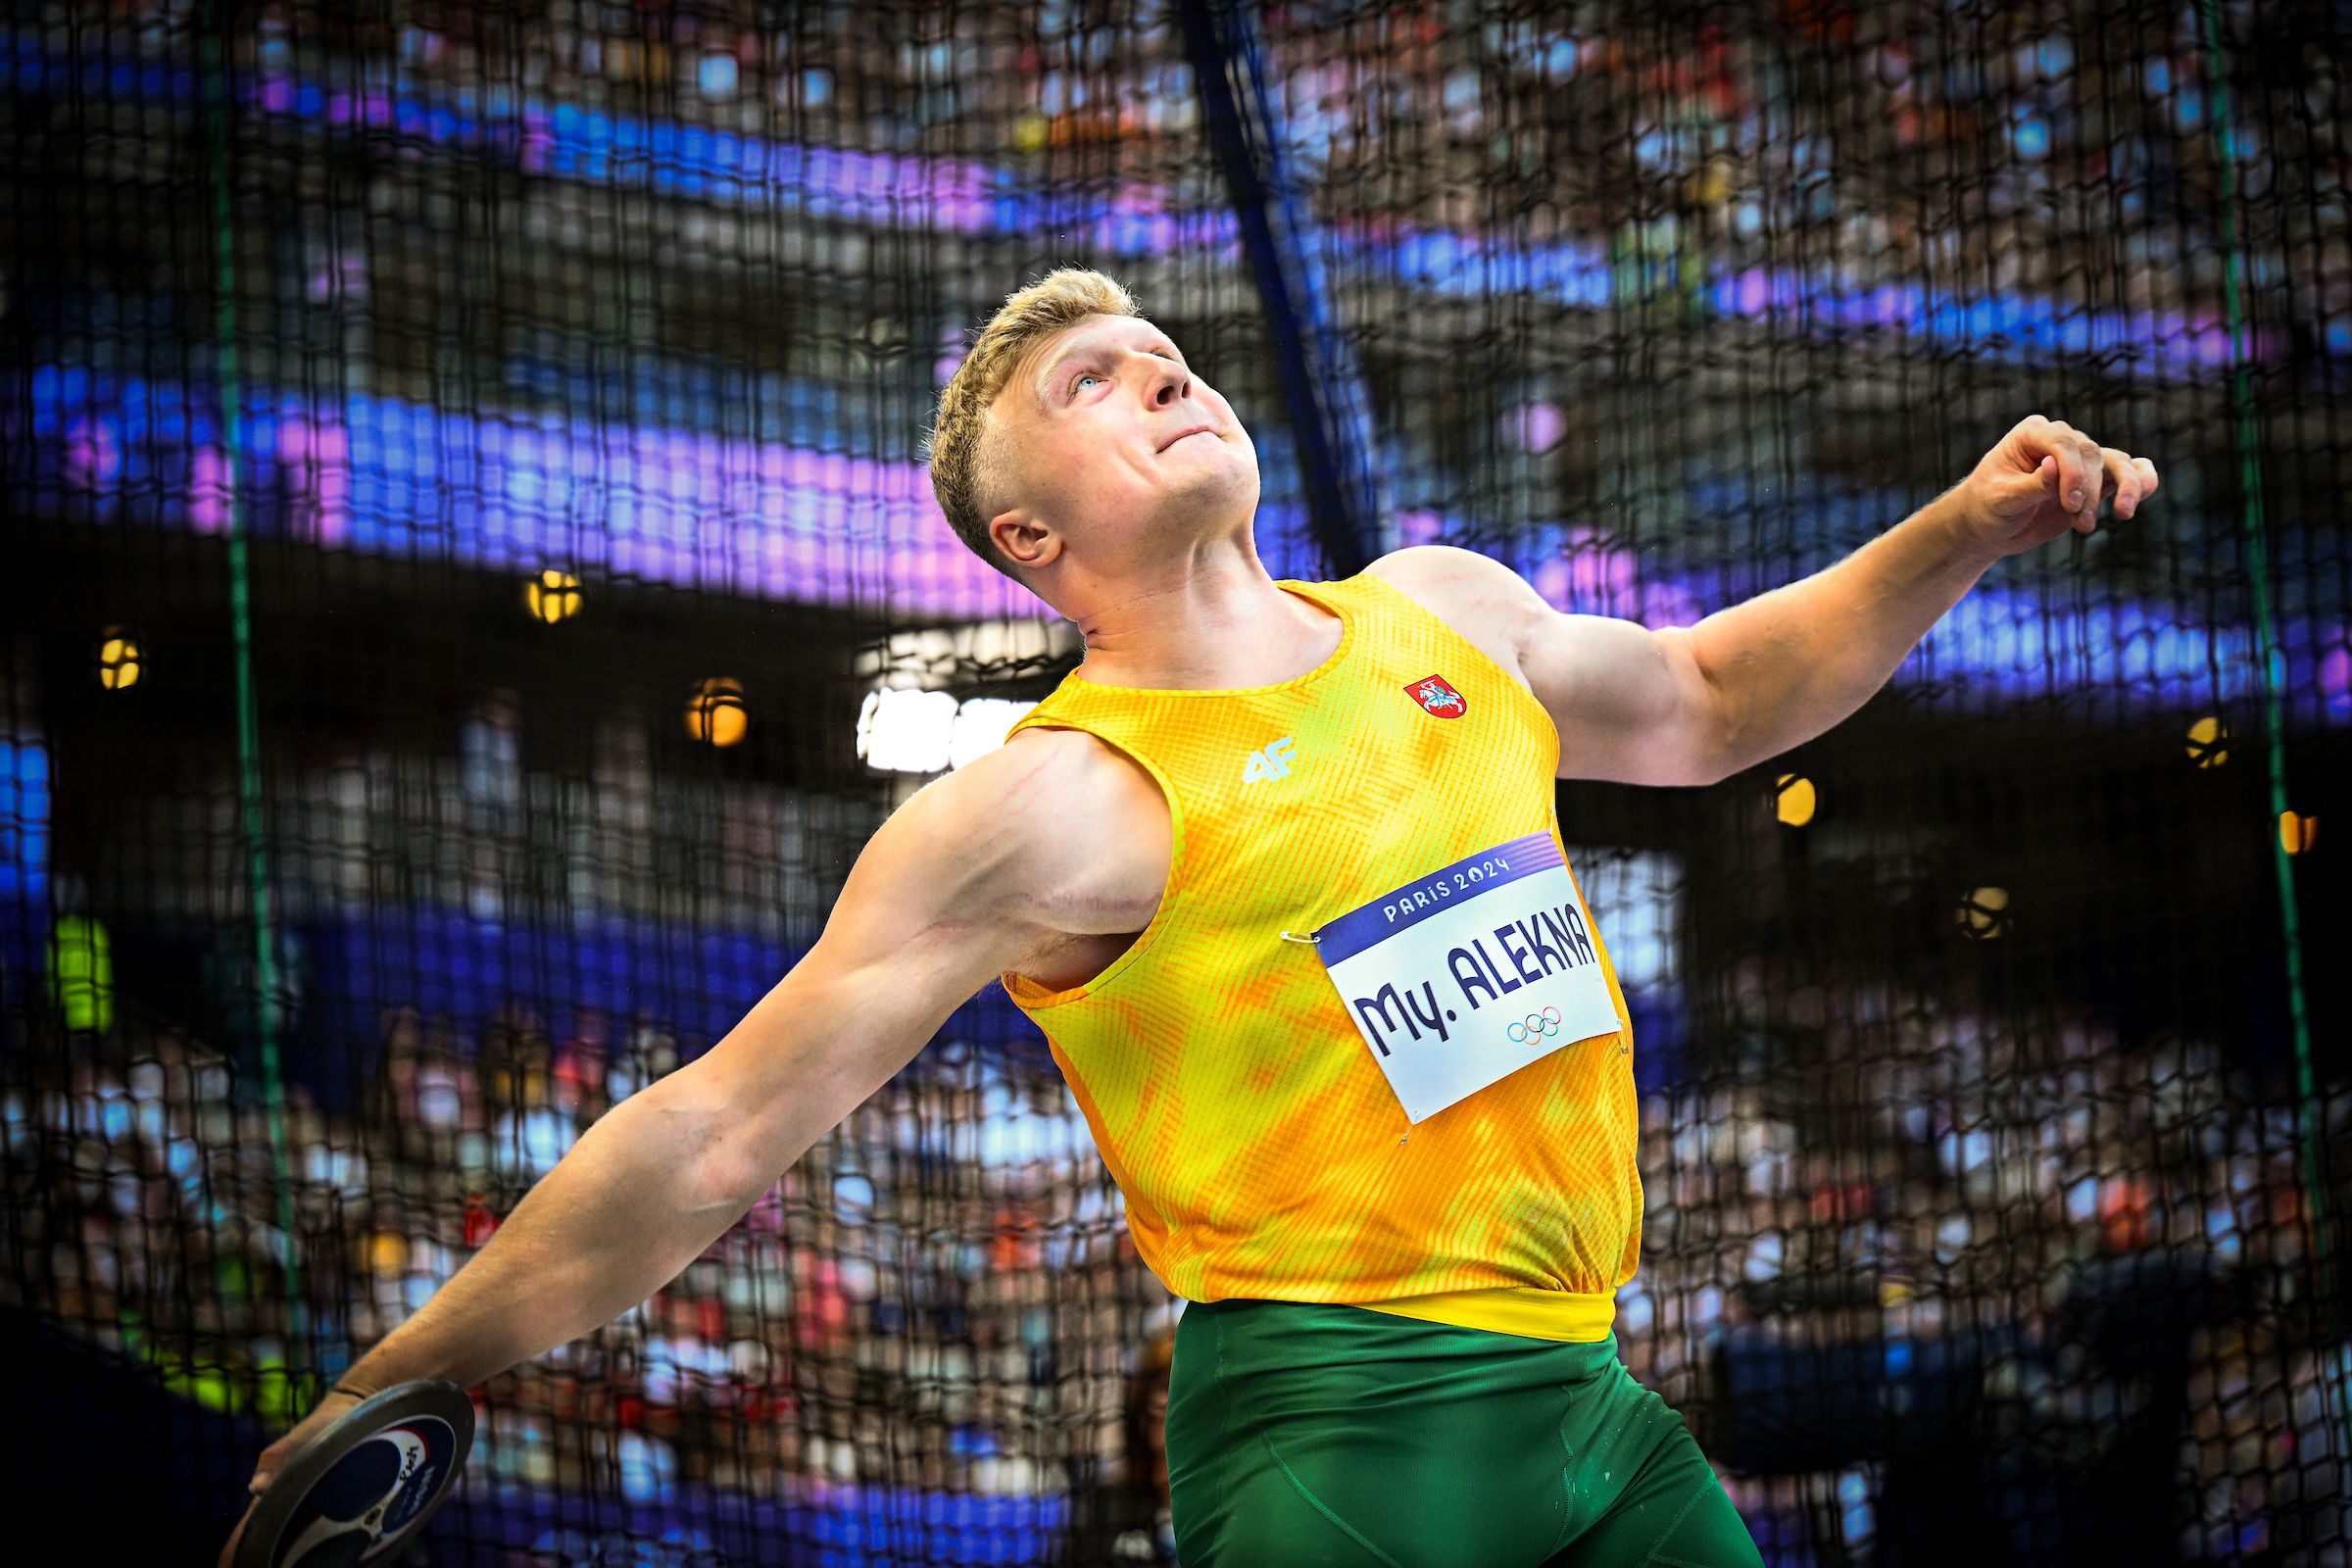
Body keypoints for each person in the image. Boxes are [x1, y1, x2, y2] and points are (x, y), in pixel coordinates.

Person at [221, 268, 2158, 1567]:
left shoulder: (1445, 612)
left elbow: (1726, 698)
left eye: (1159, 350)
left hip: (1596, 1395)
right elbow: (718, 1129)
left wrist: (1963, 526)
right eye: (1089, 383)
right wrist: (406, 1366)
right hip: (1342, 1431)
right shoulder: (1050, 802)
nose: (1153, 369)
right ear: (1030, 545)